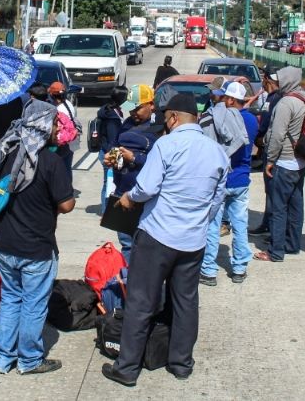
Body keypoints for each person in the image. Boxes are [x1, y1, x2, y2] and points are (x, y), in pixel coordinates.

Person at [102, 94, 229, 387]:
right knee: (186, 302)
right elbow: (217, 197)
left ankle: (127, 368)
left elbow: (146, 186)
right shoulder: (217, 151)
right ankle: (181, 362)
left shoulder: (167, 144)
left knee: (141, 301)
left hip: (158, 235)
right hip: (193, 242)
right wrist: (199, 223)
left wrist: (128, 198)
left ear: (172, 118)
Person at [0, 100, 75, 375]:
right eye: (56, 122)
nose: (59, 127)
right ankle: (30, 360)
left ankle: (3, 358)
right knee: (33, 304)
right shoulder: (49, 161)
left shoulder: (4, 152)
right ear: (44, 126)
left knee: (10, 299)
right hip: (36, 248)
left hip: (5, 244)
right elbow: (67, 204)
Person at [200, 81, 258, 284]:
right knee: (240, 225)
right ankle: (240, 268)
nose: (222, 100)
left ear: (231, 99)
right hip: (242, 179)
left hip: (221, 180)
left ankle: (208, 270)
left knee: (213, 225)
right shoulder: (252, 120)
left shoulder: (220, 118)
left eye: (225, 97)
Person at [255, 66, 305, 264]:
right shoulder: (304, 98)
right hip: (300, 161)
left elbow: (277, 135)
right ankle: (292, 244)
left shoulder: (286, 103)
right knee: (296, 205)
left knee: (278, 208)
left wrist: (270, 160)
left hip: (284, 161)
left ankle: (275, 251)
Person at [107, 84, 157, 261]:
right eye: (130, 109)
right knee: (126, 243)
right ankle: (128, 283)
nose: (133, 113)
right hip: (122, 192)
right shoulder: (127, 123)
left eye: (137, 108)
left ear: (151, 104)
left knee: (144, 246)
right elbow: (115, 146)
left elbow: (162, 164)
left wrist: (134, 158)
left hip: (145, 197)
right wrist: (112, 158)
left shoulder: (159, 129)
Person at [250, 66, 282, 236]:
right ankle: (268, 223)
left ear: (269, 79)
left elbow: (269, 124)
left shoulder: (275, 99)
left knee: (272, 190)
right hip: (269, 148)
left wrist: (261, 138)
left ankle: (271, 227)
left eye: (264, 76)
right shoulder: (275, 97)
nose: (262, 79)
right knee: (270, 190)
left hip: (272, 149)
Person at [96, 86, 129, 215]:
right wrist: (115, 160)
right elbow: (112, 141)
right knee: (109, 183)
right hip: (109, 153)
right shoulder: (112, 117)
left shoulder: (107, 110)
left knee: (107, 183)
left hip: (105, 151)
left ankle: (106, 211)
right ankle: (106, 212)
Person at [49, 82, 80, 176]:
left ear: (52, 95)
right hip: (72, 138)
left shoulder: (58, 109)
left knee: (60, 169)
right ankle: (68, 188)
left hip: (63, 141)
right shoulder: (68, 104)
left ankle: (63, 188)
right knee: (67, 167)